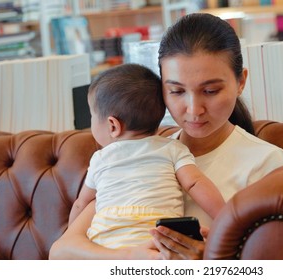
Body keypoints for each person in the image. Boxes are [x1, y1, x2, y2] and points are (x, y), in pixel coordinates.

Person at [49, 13, 283, 260]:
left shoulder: (266, 162)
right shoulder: (136, 155)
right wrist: (129, 257)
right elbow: (61, 251)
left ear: (240, 81)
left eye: (210, 90)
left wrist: (215, 257)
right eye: (176, 91)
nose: (194, 109)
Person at [68, 63, 225, 250]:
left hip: (106, 243)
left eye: (92, 116)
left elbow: (81, 204)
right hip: (159, 240)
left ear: (113, 125)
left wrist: (69, 238)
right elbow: (195, 183)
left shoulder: (100, 159)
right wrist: (225, 219)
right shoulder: (172, 148)